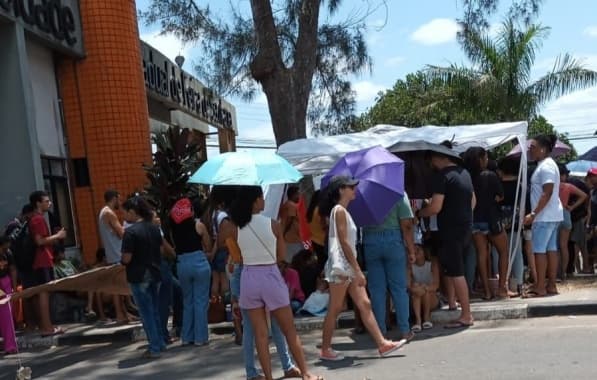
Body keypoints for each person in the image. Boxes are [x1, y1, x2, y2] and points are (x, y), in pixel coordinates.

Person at [229, 185, 322, 380]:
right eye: (261, 197)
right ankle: (305, 372)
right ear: (255, 200)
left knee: (260, 335)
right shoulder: (273, 225)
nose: (264, 201)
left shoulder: (236, 228)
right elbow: (281, 255)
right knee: (289, 329)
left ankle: (268, 377)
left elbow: (237, 257)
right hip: (270, 275)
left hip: (249, 278)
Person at [320, 175, 405, 361]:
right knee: (335, 308)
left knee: (364, 304)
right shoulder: (340, 211)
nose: (354, 189)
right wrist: (357, 269)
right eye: (351, 187)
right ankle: (326, 348)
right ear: (341, 189)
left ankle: (382, 344)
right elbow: (343, 242)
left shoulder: (341, 210)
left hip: (345, 266)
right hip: (342, 266)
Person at [417, 142, 475, 328]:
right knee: (455, 269)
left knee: (457, 272)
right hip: (465, 227)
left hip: (450, 229)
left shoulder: (442, 177)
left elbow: (435, 207)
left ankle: (466, 315)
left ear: (438, 158)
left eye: (432, 160)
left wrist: (419, 214)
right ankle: (457, 306)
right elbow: (473, 200)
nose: (432, 164)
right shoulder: (464, 174)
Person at [362, 192, 416, 341]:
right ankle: (405, 330)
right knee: (399, 288)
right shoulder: (397, 192)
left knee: (377, 290)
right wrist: (411, 250)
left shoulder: (365, 194)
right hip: (393, 239)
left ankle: (380, 332)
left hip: (370, 239)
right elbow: (406, 225)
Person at [121, 196, 166, 358]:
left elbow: (126, 258)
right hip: (155, 272)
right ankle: (160, 342)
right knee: (154, 310)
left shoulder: (130, 232)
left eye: (125, 213)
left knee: (146, 313)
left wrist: (122, 261)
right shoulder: (154, 228)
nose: (124, 216)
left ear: (132, 212)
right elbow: (161, 251)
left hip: (138, 275)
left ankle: (154, 346)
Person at [463, 147, 511, 299]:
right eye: (485, 157)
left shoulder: (467, 176)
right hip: (492, 219)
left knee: (481, 254)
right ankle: (502, 288)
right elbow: (500, 196)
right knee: (503, 251)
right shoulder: (490, 175)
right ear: (481, 159)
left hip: (475, 220)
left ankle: (487, 291)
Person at [523, 135, 563, 297]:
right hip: (552, 214)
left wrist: (533, 213)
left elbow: (547, 192)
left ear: (543, 149)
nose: (529, 149)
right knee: (551, 249)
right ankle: (551, 285)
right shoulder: (548, 165)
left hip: (544, 216)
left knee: (539, 251)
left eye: (533, 147)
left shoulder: (546, 166)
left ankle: (540, 286)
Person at [169, 197, 212, 347]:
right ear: (190, 211)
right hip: (199, 262)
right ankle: (200, 337)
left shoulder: (173, 229)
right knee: (200, 301)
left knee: (188, 301)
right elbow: (207, 244)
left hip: (182, 263)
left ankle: (187, 337)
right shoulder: (198, 225)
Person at [29, 190, 66, 337]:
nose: (49, 203)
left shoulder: (37, 218)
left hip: (44, 260)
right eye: (46, 201)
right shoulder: (37, 219)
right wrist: (58, 236)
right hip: (42, 260)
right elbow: (39, 241)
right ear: (38, 203)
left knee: (44, 293)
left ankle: (47, 325)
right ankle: (47, 327)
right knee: (44, 293)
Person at [98, 190, 130, 324]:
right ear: (114, 198)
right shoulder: (109, 213)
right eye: (119, 199)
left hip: (112, 253)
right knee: (118, 287)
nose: (120, 202)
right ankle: (120, 315)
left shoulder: (102, 213)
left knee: (118, 285)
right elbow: (121, 233)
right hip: (117, 253)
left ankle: (124, 313)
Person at [497, 157, 525, 294]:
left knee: (498, 253)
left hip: (498, 223)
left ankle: (500, 283)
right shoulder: (521, 186)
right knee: (517, 252)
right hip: (515, 221)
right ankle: (519, 283)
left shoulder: (497, 185)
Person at [558, 164, 588, 279]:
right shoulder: (568, 186)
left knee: (554, 247)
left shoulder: (552, 186)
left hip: (554, 215)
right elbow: (584, 196)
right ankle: (564, 273)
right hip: (566, 214)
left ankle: (555, 272)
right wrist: (572, 207)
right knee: (564, 246)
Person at [408, 243, 439, 333]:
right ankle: (418, 320)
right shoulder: (409, 267)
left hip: (432, 297)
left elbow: (436, 285)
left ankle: (426, 317)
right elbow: (408, 285)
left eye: (419, 249)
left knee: (425, 291)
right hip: (416, 297)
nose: (416, 250)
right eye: (414, 249)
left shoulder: (432, 264)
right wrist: (417, 288)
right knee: (417, 291)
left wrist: (424, 287)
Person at [209, 186, 234, 300]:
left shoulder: (214, 213)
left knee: (215, 279)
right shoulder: (223, 216)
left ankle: (215, 304)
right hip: (223, 249)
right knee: (224, 279)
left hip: (215, 249)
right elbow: (223, 236)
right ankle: (225, 305)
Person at [0, 235, 17, 355]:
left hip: (5, 282)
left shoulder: (8, 254)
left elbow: (12, 269)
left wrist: (14, 287)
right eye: (7, 244)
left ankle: (10, 345)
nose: (9, 246)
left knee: (7, 315)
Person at [279, 186, 304, 262]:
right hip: (292, 238)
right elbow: (290, 219)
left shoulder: (286, 204)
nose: (300, 196)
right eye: (298, 194)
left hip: (288, 238)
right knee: (295, 260)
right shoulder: (292, 205)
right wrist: (285, 232)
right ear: (293, 195)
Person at [306, 190, 327, 269]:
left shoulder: (311, 209)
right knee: (324, 264)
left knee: (320, 263)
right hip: (322, 241)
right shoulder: (321, 211)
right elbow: (324, 226)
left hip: (314, 240)